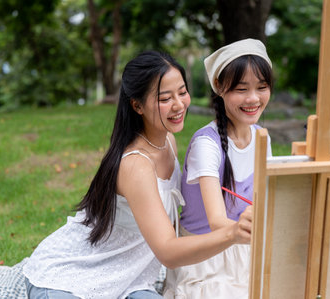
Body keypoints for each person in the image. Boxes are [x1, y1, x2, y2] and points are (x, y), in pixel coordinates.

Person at [22, 50, 254, 299]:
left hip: (131, 279)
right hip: (71, 275)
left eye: (182, 92)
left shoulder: (168, 141)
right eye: (165, 98)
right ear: (137, 105)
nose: (179, 104)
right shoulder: (135, 165)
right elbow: (167, 252)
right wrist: (231, 234)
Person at [163, 38, 273, 298]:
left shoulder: (261, 138)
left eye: (262, 87)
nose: (253, 98)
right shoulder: (207, 145)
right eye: (241, 89)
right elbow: (217, 223)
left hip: (247, 248)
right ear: (220, 88)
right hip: (206, 258)